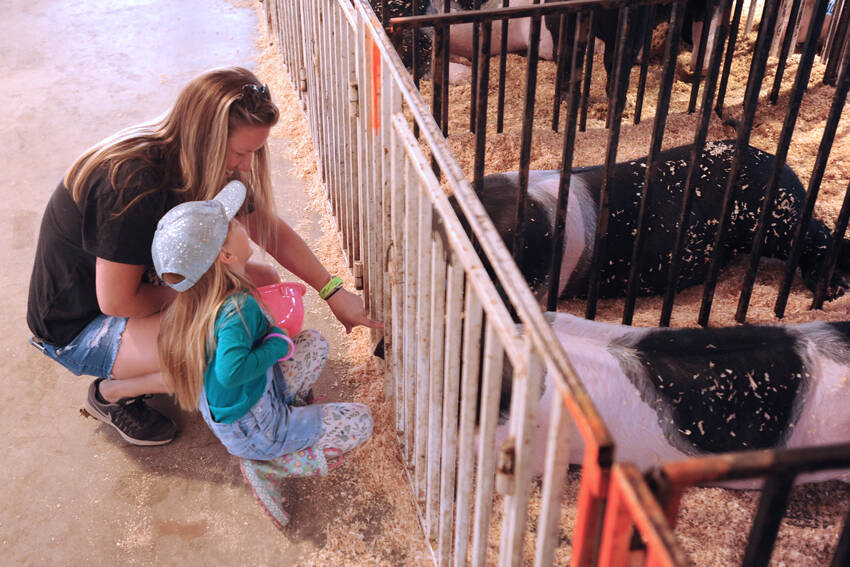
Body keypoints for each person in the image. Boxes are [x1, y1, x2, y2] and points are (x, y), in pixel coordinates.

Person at [26, 66, 381, 446]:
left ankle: (174, 368)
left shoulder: (202, 160)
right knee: (226, 340)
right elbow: (116, 301)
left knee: (261, 285)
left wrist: (332, 291)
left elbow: (267, 228)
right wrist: (216, 291)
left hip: (133, 287)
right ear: (207, 138)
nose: (246, 166)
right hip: (81, 326)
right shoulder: (131, 182)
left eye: (254, 153)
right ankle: (113, 394)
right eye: (240, 153)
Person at [152, 181, 373, 528]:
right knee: (362, 422)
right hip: (257, 428)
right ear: (226, 255)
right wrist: (275, 344)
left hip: (254, 399)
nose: (243, 226)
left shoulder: (197, 303)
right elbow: (229, 371)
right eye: (235, 226)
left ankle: (290, 414)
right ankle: (269, 462)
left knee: (315, 343)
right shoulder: (235, 309)